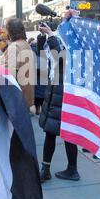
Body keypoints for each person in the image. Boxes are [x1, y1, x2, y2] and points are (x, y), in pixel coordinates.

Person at [37, 22, 80, 182]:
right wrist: (43, 35)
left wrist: (52, 35)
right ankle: (49, 168)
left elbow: (61, 57)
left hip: (63, 93)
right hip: (55, 91)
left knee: (64, 133)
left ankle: (69, 170)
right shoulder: (59, 41)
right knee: (52, 132)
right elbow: (43, 53)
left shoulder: (72, 45)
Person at [0, 18, 35, 108]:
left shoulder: (14, 47)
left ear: (10, 31)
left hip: (16, 101)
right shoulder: (25, 44)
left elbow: (8, 76)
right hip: (27, 97)